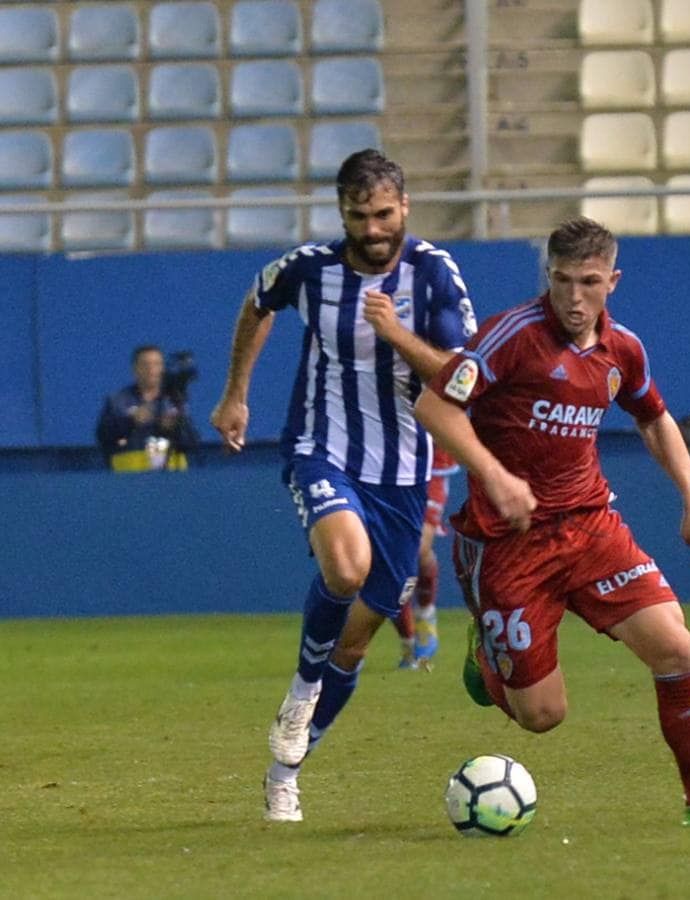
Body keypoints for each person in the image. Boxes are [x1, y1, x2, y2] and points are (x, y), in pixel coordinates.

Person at [414, 216, 690, 829]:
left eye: (589, 282)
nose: (574, 298)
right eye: (563, 281)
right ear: (547, 276)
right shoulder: (510, 337)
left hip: (589, 526)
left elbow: (654, 419)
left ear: (613, 281)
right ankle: (488, 655)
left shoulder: (622, 349)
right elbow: (433, 406)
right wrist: (495, 477)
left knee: (677, 647)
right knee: (542, 716)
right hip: (506, 543)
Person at [210, 149, 477, 822]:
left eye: (384, 214)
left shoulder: (434, 274)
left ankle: (284, 772)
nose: (373, 228)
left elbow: (463, 375)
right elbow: (256, 300)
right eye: (359, 216)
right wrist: (235, 393)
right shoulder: (310, 269)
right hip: (320, 446)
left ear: (404, 207)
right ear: (343, 214)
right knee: (345, 563)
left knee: (355, 644)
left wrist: (397, 335)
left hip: (404, 473)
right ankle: (302, 690)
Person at [391, 445, 456, 669]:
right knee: (390, 559)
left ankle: (425, 613)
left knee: (416, 549)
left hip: (431, 464)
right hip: (382, 462)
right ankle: (407, 640)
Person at [95, 345, 200, 471]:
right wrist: (130, 422)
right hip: (129, 479)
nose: (151, 369)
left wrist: (174, 428)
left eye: (157, 364)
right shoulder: (118, 400)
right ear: (135, 369)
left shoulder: (175, 400)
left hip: (171, 479)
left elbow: (191, 442)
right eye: (145, 364)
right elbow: (103, 436)